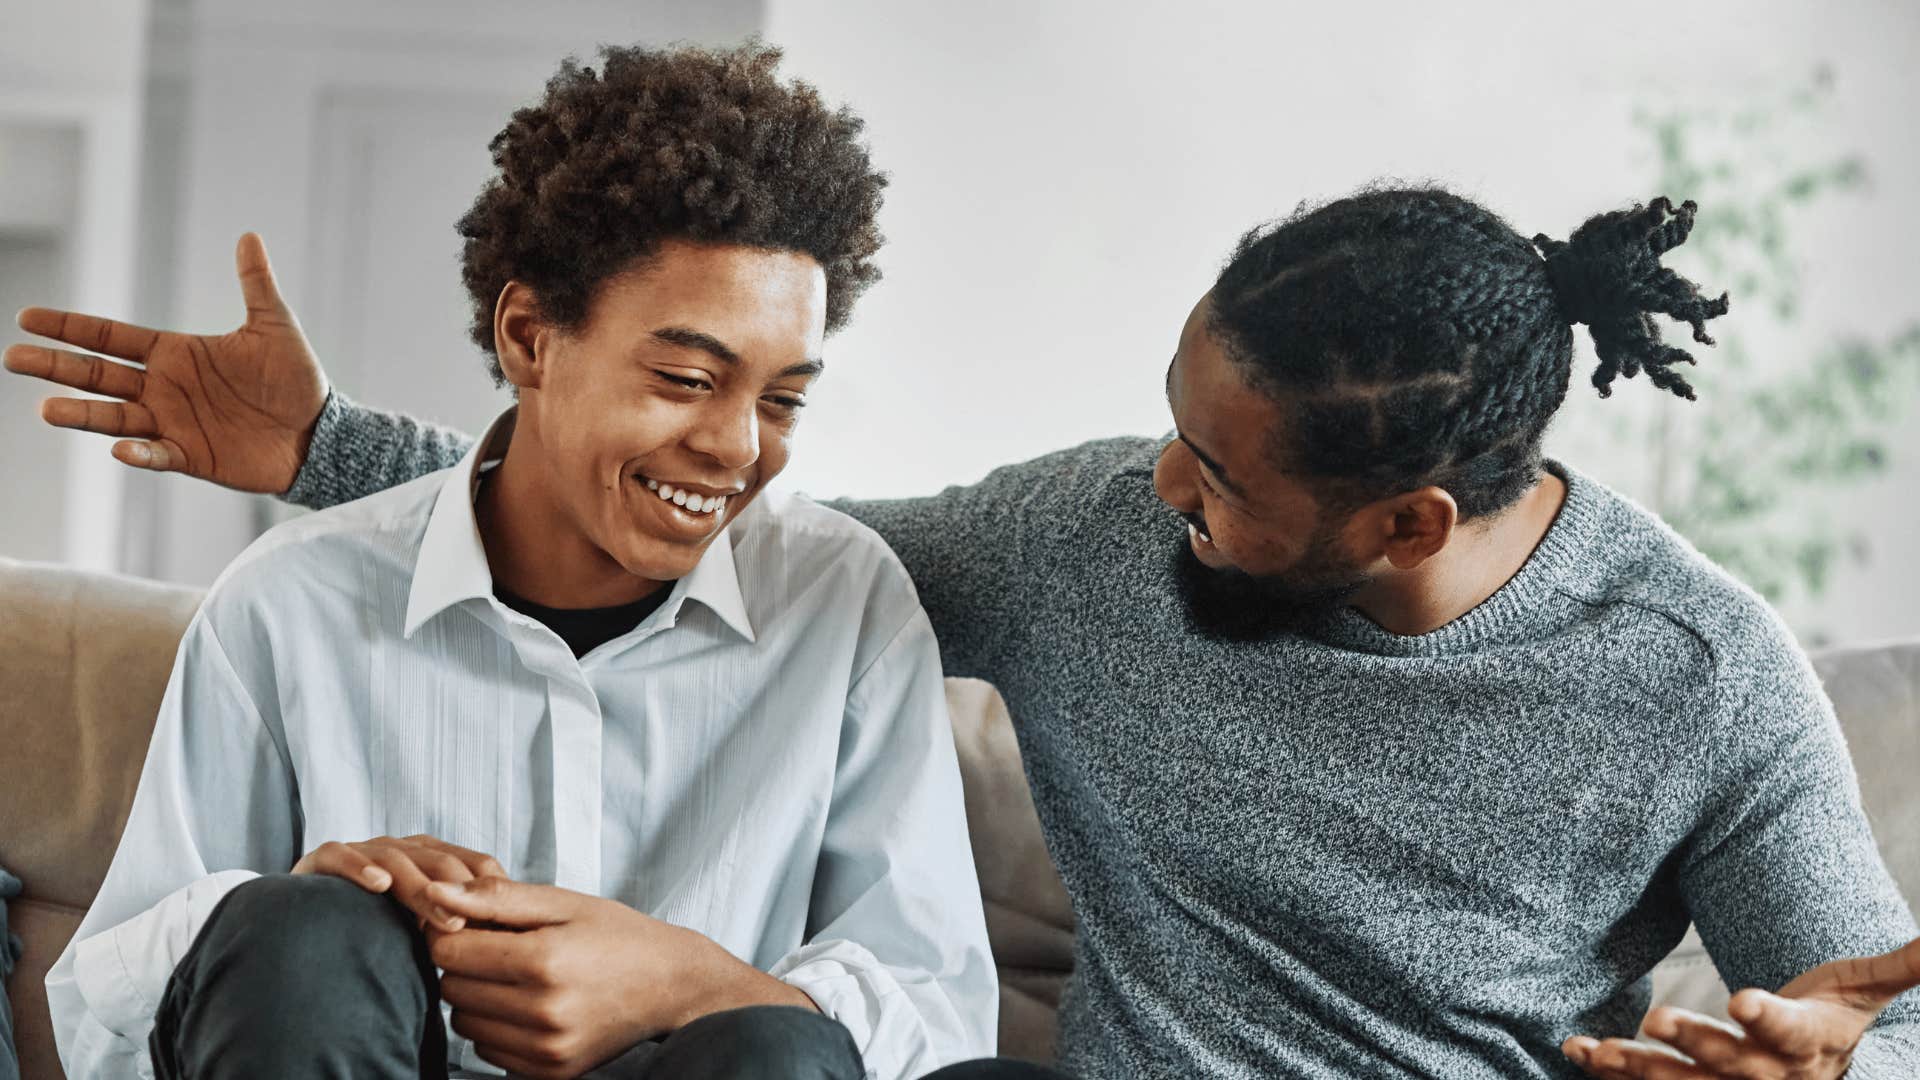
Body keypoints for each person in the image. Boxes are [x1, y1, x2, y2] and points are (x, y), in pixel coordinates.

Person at [12, 178, 1920, 1077]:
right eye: (1175, 420)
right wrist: (328, 451)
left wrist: (1827, 1073)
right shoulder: (1096, 535)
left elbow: (1857, 1008)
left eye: (1220, 477)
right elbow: (724, 526)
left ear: (1402, 522)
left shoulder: (1700, 678)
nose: (1157, 487)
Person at [23, 41, 997, 1080]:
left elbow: (936, 1018)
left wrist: (681, 978)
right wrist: (296, 900)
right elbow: (104, 1017)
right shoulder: (289, 601)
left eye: (783, 398)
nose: (736, 447)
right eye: (682, 377)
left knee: (771, 1045)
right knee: (303, 935)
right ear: (530, 336)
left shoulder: (844, 602)